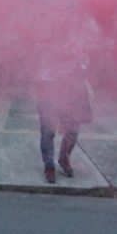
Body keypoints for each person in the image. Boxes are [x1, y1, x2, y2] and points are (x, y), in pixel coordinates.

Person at [34, 43, 93, 184]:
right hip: (50, 92)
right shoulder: (47, 45)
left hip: (73, 94)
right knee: (48, 131)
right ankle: (49, 166)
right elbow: (41, 72)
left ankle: (64, 158)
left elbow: (85, 65)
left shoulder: (77, 42)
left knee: (72, 131)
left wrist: (80, 66)